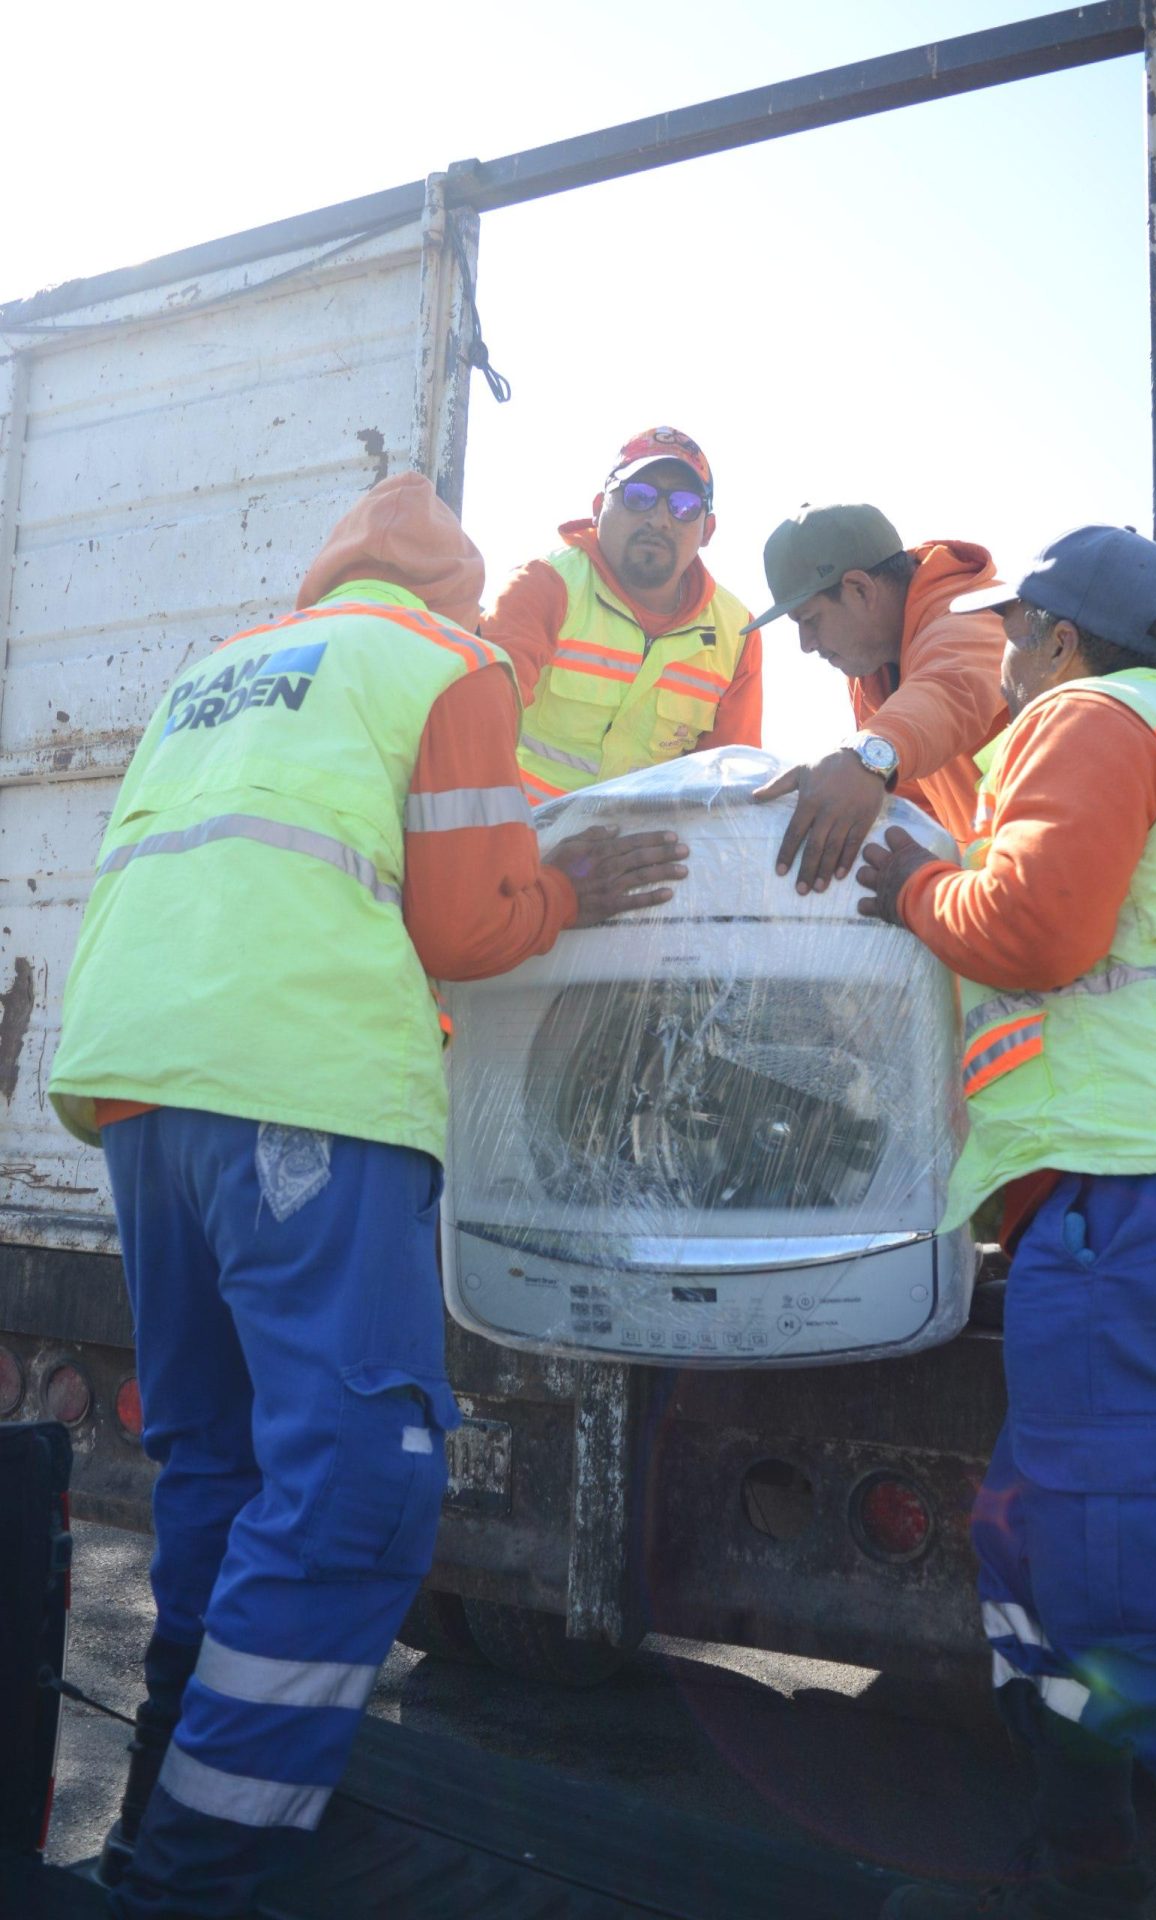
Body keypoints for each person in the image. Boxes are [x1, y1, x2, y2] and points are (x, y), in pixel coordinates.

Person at [47, 472, 688, 1919]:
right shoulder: (451, 664)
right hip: (306, 1088)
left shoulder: (219, 669)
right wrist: (567, 884)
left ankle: (170, 1787)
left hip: (144, 1091)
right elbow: (462, 925)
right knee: (354, 1487)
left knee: (216, 1469)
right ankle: (210, 1865)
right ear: (458, 593)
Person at [856, 526, 1156, 1920]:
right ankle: (1075, 1867)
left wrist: (910, 887)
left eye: (1015, 632)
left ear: (1060, 639)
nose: (1004, 659)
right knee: (1032, 1553)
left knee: (1126, 1588)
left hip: (1135, 1195)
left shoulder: (1087, 717)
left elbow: (1034, 930)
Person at [480, 425, 762, 805]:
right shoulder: (543, 587)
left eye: (683, 506)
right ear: (598, 509)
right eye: (639, 496)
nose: (661, 519)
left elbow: (726, 789)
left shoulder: (738, 634)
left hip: (650, 857)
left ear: (707, 530)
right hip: (525, 842)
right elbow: (474, 733)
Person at [744, 503, 1008, 892]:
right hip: (1004, 889)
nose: (806, 644)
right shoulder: (872, 671)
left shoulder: (968, 613)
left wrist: (865, 756)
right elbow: (913, 809)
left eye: (810, 620)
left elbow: (949, 689)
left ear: (860, 589)